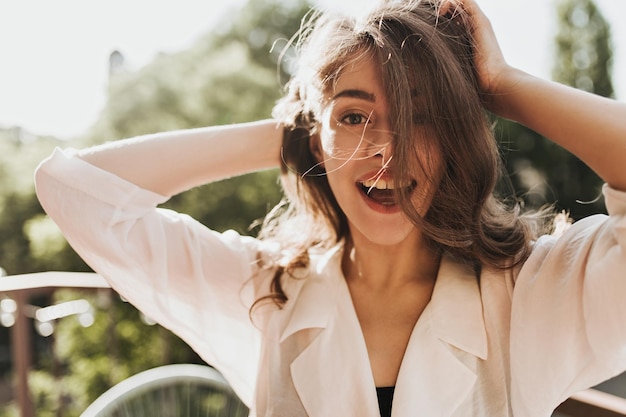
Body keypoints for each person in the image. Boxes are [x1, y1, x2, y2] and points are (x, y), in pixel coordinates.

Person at [35, 0, 626, 415]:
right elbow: (77, 190)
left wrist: (498, 84)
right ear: (315, 138)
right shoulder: (264, 288)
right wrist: (297, 131)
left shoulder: (528, 292)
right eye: (353, 115)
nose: (384, 151)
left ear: (454, 137)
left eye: (420, 117)